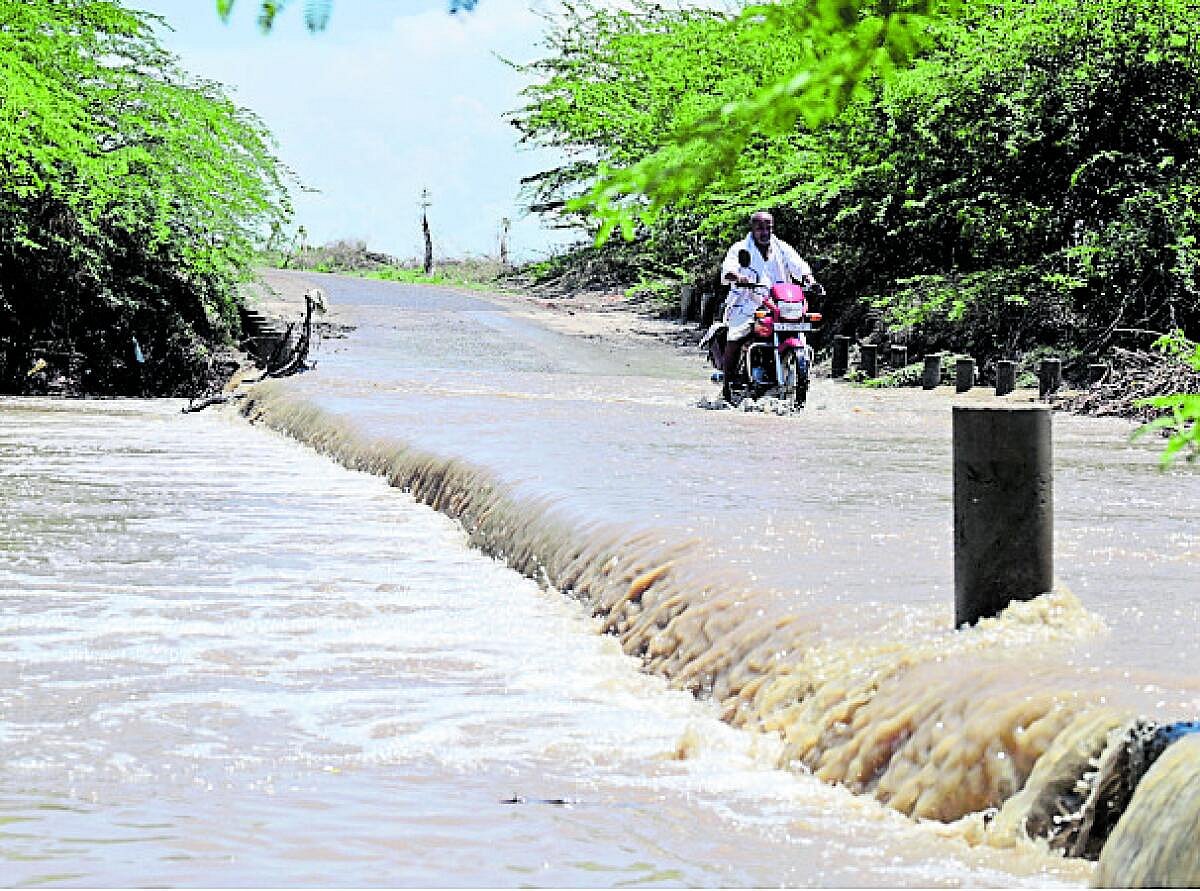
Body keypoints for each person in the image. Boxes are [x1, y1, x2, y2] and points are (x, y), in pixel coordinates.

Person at [718, 210, 816, 401]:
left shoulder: (781, 247)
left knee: (801, 331)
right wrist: (738, 277)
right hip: (747, 304)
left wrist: (810, 280)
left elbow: (799, 266)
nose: (764, 232)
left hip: (780, 304)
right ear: (752, 229)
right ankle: (728, 383)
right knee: (736, 335)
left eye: (768, 228)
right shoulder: (741, 248)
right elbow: (728, 269)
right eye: (760, 228)